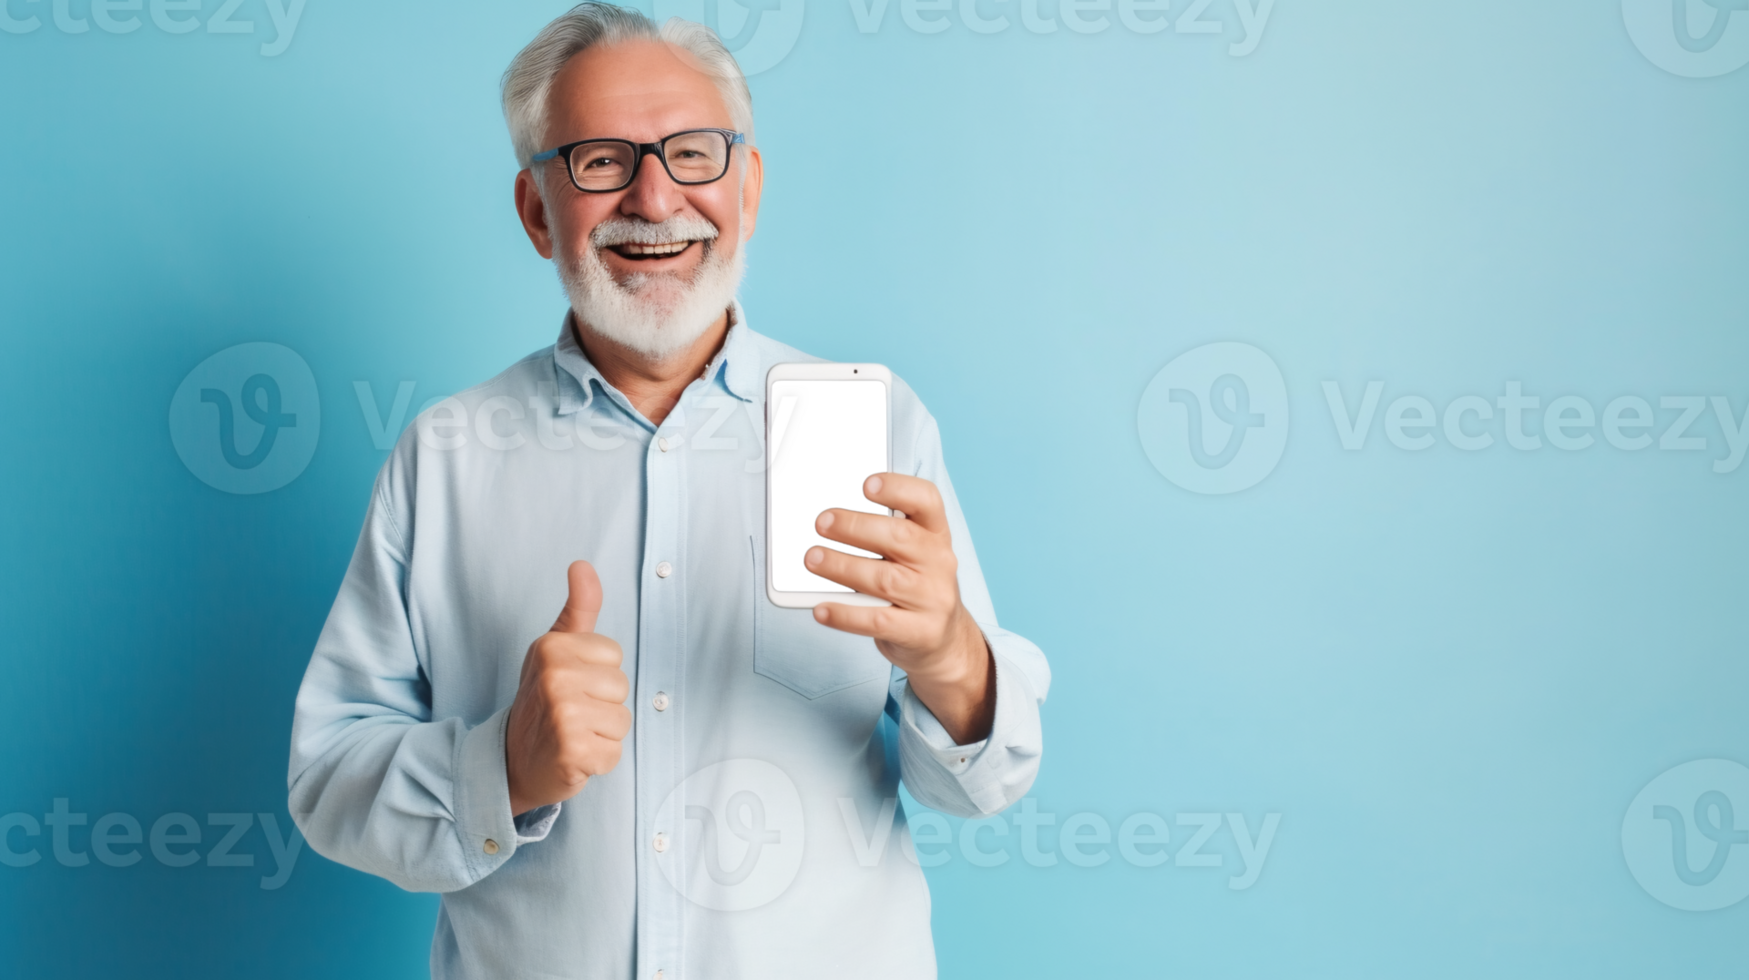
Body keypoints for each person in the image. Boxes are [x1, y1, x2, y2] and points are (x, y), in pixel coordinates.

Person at [287, 5, 1049, 977]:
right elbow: (325, 782)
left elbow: (986, 784)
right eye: (601, 160)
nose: (655, 197)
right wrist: (502, 769)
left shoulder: (882, 427)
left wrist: (949, 656)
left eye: (694, 152)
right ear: (535, 209)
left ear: (749, 187)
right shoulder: (447, 456)